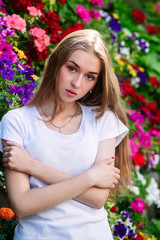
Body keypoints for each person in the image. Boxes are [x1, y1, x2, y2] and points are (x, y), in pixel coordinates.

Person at [0, 29, 131, 240]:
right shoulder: (16, 121)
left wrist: (32, 166)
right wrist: (90, 177)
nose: (77, 83)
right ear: (56, 65)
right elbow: (22, 205)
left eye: (90, 77)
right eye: (72, 68)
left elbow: (97, 199)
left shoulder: (102, 120)